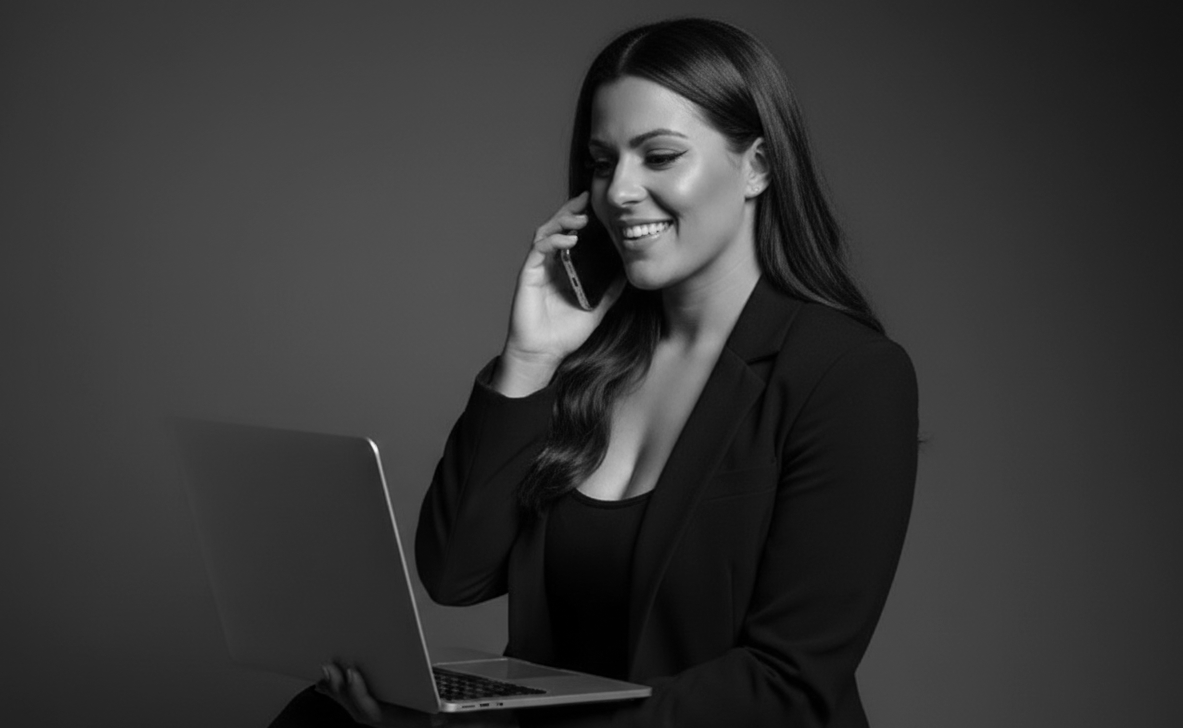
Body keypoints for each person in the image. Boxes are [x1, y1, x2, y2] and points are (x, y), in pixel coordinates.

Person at [272, 16, 917, 728]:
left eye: (660, 156)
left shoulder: (848, 375)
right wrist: (528, 360)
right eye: (603, 163)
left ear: (758, 166)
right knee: (322, 718)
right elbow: (454, 574)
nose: (619, 192)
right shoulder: (589, 360)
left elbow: (784, 685)